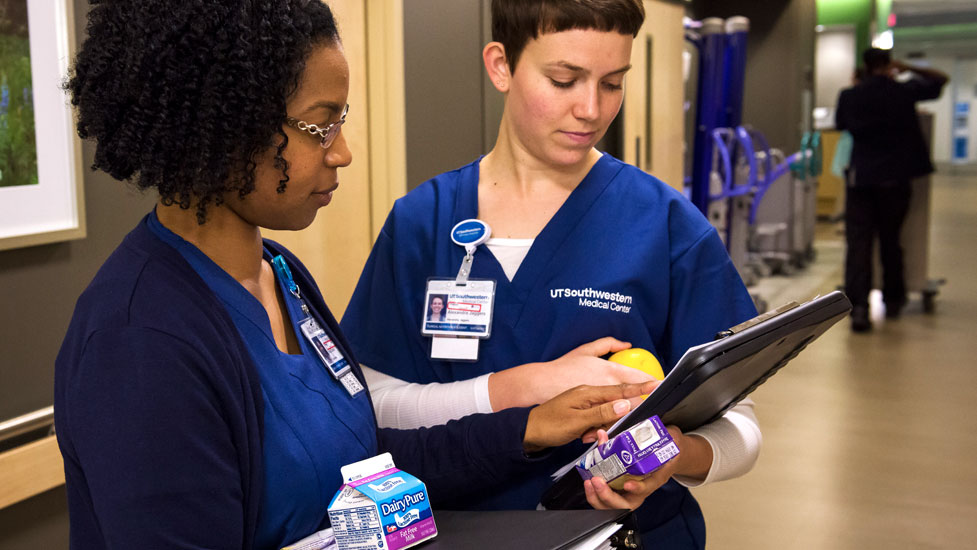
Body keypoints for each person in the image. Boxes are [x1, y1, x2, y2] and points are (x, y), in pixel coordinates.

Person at [52, 2, 659, 548]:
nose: (342, 151)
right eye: (322, 125)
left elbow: (363, 462)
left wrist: (528, 427)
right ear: (228, 125)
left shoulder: (281, 276)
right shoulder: (141, 341)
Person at [340, 0, 762, 547]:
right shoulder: (424, 221)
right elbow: (369, 407)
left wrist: (670, 455)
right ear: (500, 66)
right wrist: (518, 391)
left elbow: (742, 431)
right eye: (564, 80)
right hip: (457, 530)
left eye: (613, 83)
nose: (590, 109)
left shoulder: (664, 225)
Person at [835, 48, 947, 332]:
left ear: (864, 65)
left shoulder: (850, 96)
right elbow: (940, 79)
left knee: (859, 244)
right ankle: (893, 299)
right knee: (891, 240)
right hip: (895, 180)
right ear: (887, 65)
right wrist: (907, 67)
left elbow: (841, 125)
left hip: (861, 179)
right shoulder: (902, 91)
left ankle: (859, 307)